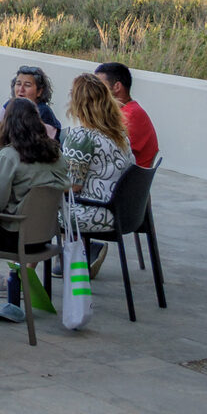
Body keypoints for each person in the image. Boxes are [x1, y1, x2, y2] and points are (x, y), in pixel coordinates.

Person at [0, 98, 69, 318]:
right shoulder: (56, 155)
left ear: (8, 124)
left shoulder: (8, 157)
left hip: (15, 237)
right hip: (45, 237)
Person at [62, 72, 136, 278]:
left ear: (78, 103)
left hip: (95, 213)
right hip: (123, 213)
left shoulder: (80, 137)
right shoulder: (120, 135)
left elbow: (72, 185)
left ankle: (20, 277)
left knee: (37, 210)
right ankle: (77, 256)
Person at [0, 65, 61, 172]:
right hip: (9, 156)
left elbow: (31, 148)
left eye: (27, 85)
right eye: (18, 84)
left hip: (31, 161)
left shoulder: (44, 113)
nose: (21, 89)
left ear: (39, 91)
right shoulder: (10, 105)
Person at [95, 62, 159, 168]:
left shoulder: (130, 115)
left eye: (100, 85)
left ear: (117, 86)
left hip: (126, 179)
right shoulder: (128, 110)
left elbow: (107, 152)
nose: (95, 90)